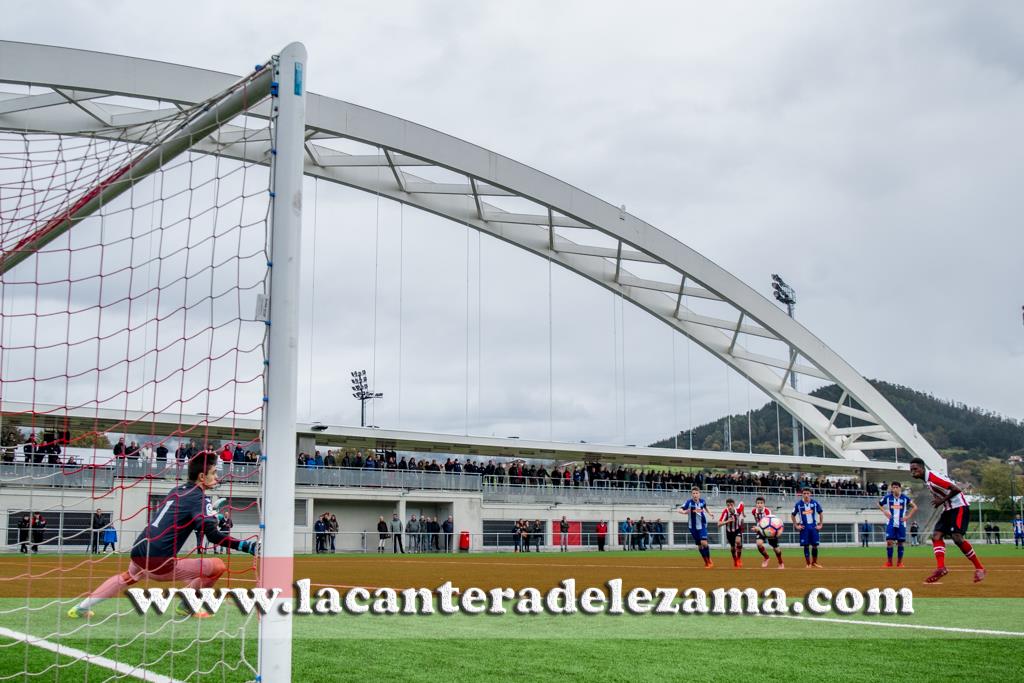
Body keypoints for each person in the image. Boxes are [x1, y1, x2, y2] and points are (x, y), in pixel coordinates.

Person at [68, 452, 259, 619]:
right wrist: (246, 546)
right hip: (160, 562)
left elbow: (182, 518)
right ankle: (187, 605)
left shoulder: (177, 490)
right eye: (214, 473)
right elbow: (213, 537)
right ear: (202, 476)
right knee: (217, 566)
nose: (217, 477)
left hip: (140, 549)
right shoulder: (199, 498)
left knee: (128, 577)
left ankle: (80, 608)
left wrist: (212, 515)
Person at [909, 457, 985, 584]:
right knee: (936, 536)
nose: (913, 472)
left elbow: (956, 489)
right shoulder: (928, 480)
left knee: (957, 538)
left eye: (915, 469)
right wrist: (942, 501)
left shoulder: (933, 478)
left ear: (922, 468)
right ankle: (941, 568)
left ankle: (980, 568)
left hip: (959, 506)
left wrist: (941, 501)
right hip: (948, 509)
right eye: (911, 470)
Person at [878, 481, 917, 568]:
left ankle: (899, 563)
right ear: (891, 488)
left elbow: (915, 507)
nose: (894, 489)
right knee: (889, 542)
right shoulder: (888, 497)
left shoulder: (905, 498)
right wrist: (884, 511)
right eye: (893, 487)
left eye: (896, 487)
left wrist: (908, 516)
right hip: (891, 523)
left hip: (901, 523)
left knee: (900, 543)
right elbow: (878, 504)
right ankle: (889, 562)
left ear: (900, 488)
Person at [678, 487, 713, 568]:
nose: (695, 495)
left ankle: (709, 560)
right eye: (693, 493)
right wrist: (684, 512)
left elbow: (705, 507)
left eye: (696, 493)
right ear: (691, 494)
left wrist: (710, 513)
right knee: (700, 546)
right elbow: (679, 509)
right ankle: (706, 561)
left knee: (704, 542)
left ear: (699, 494)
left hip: (702, 525)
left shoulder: (702, 501)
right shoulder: (688, 502)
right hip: (693, 528)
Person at [791, 488, 824, 568]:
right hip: (804, 527)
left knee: (815, 545)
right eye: (804, 493)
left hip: (813, 527)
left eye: (807, 493)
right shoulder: (798, 504)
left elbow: (821, 513)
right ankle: (808, 563)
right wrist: (796, 525)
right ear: (802, 494)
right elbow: (792, 515)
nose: (806, 495)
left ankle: (814, 562)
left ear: (810, 494)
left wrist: (820, 524)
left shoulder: (815, 503)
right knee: (806, 545)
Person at [750, 496, 783, 569]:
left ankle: (780, 562)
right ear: (756, 504)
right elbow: (758, 521)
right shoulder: (753, 511)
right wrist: (757, 528)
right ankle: (766, 557)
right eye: (758, 503)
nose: (759, 505)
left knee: (776, 549)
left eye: (761, 503)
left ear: (764, 504)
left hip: (769, 530)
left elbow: (769, 522)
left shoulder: (767, 511)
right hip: (760, 529)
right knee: (759, 544)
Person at [718, 498, 744, 568]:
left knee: (738, 541)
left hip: (737, 529)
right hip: (729, 532)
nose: (729, 507)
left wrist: (743, 514)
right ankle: (735, 560)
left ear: (734, 505)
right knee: (732, 548)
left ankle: (738, 559)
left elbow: (742, 503)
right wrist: (727, 521)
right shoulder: (725, 512)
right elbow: (718, 524)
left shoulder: (738, 510)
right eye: (728, 505)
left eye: (731, 505)